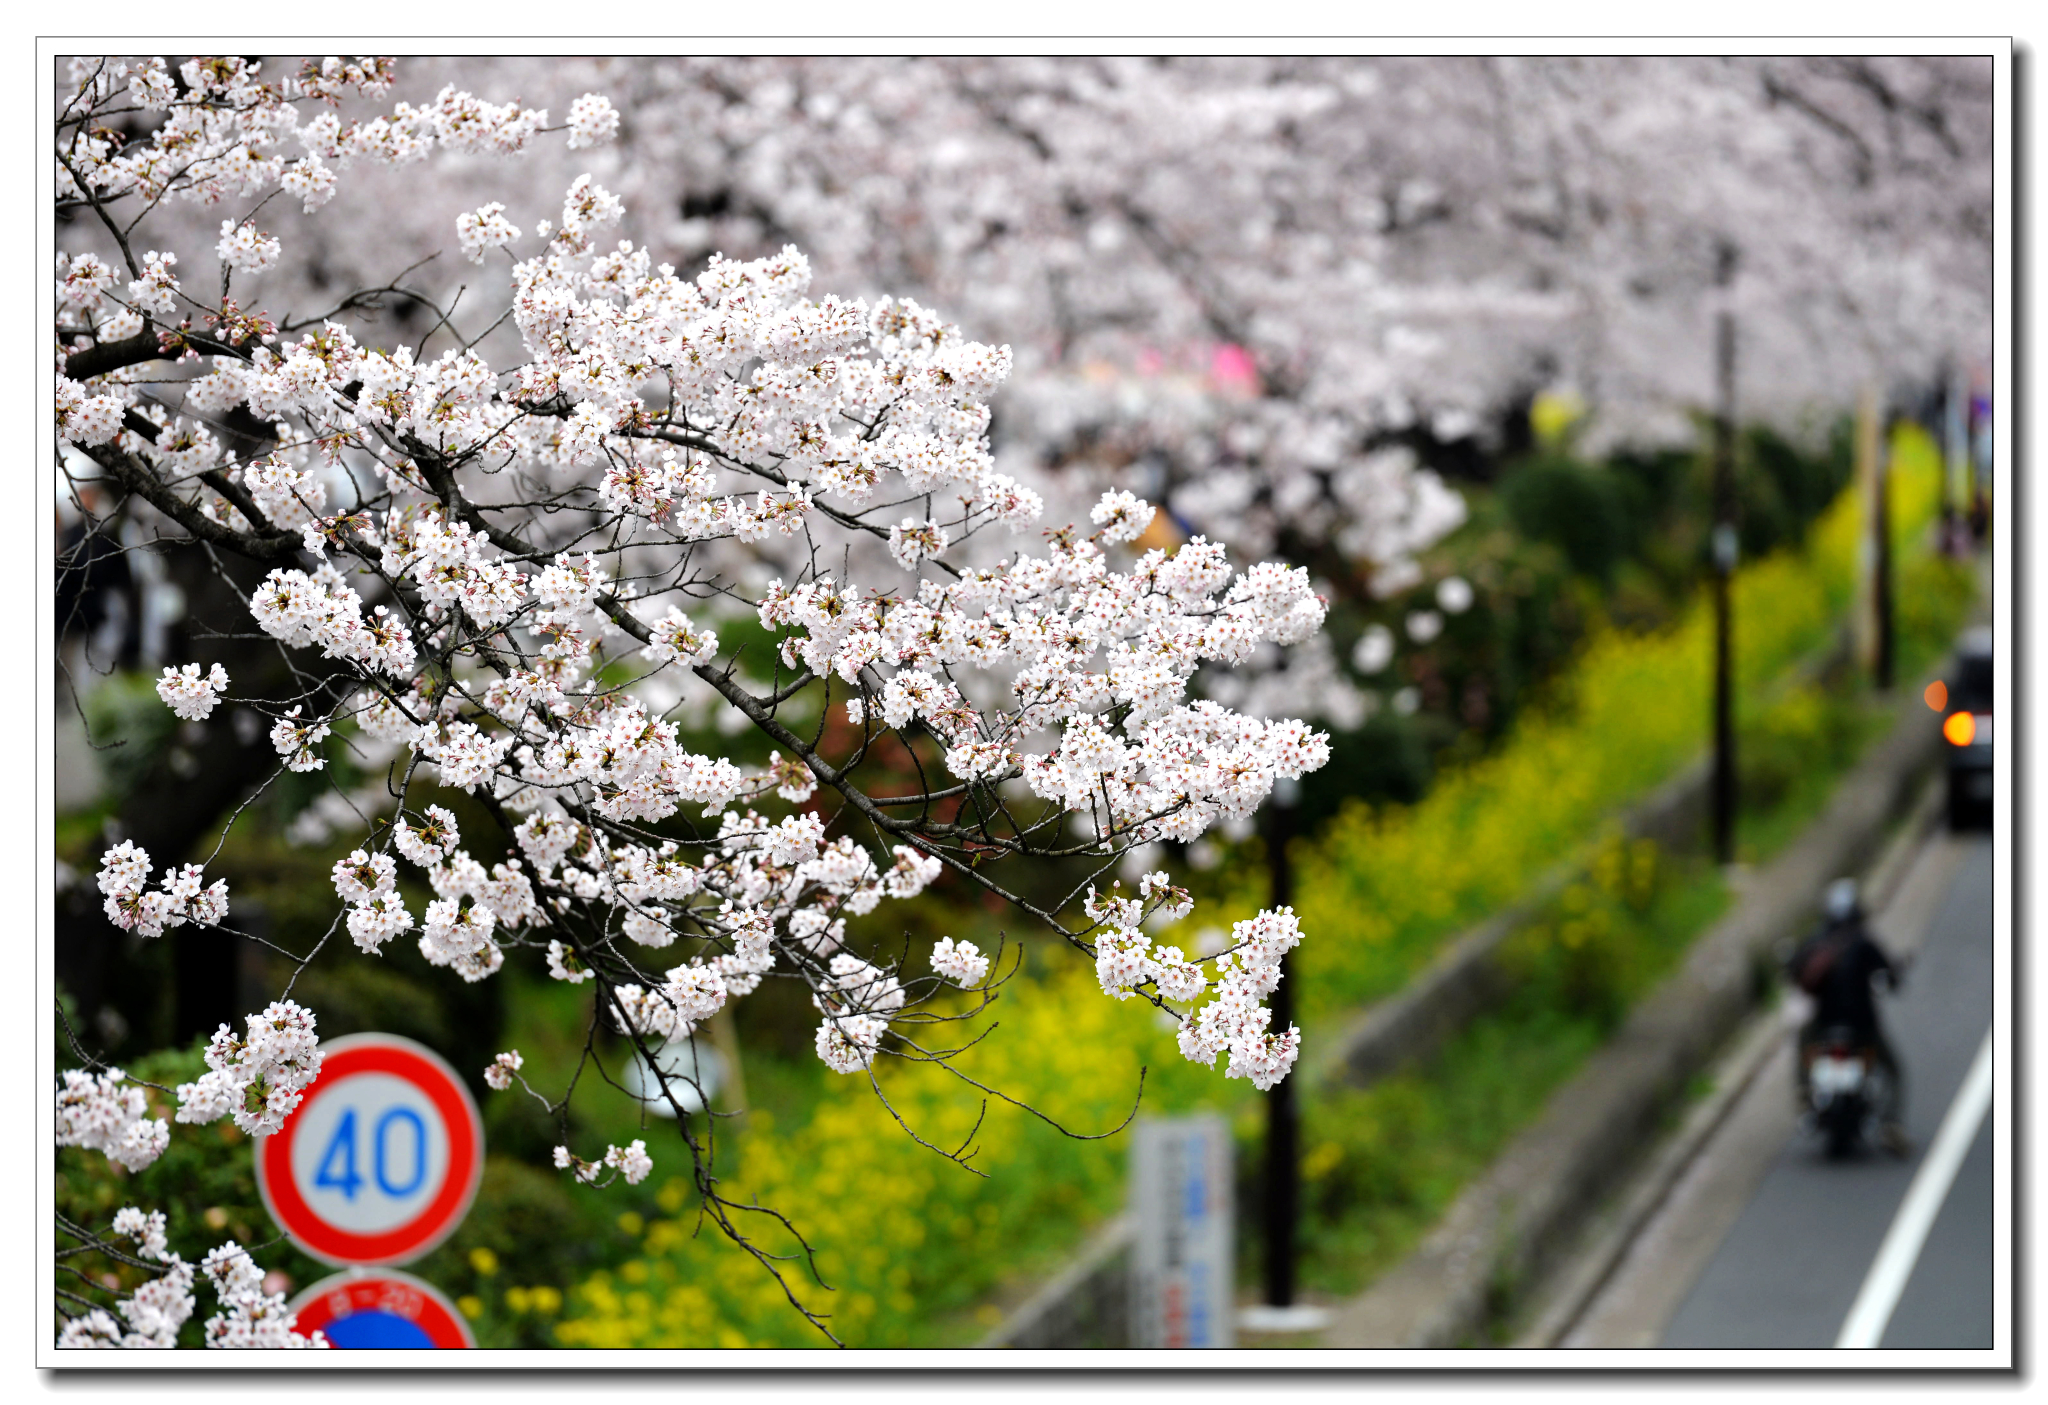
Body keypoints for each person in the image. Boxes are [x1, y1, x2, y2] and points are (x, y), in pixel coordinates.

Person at [1786, 878, 1910, 1155]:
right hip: (1862, 1025)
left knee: (1803, 1044)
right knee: (1894, 1070)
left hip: (1825, 1024)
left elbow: (1793, 969)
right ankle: (1891, 1122)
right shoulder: (1864, 942)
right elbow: (1891, 974)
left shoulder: (1816, 940)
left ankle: (1805, 1095)